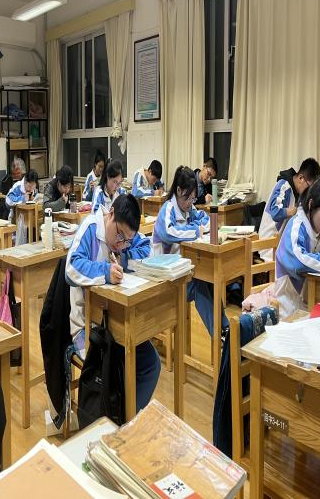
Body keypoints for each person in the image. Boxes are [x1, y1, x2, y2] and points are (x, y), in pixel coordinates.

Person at [66, 193, 157, 412]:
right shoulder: (91, 228)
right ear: (111, 214)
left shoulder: (124, 236)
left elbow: (147, 248)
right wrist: (105, 271)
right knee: (119, 366)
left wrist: (124, 257)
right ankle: (117, 418)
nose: (120, 243)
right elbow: (71, 268)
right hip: (89, 327)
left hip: (116, 322)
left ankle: (126, 419)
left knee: (151, 364)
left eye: (126, 240)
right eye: (119, 235)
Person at [152, 166, 228, 336]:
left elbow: (208, 222)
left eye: (193, 198)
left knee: (208, 277)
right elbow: (169, 233)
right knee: (200, 282)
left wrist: (192, 227)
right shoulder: (168, 209)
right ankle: (220, 334)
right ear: (179, 191)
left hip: (181, 271)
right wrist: (194, 230)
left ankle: (225, 329)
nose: (190, 203)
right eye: (188, 198)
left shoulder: (189, 208)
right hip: (165, 277)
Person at [275, 175, 320, 318]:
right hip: (289, 305)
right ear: (311, 205)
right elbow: (300, 260)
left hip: (311, 299)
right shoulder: (296, 226)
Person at [259, 157, 320, 260]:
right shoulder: (284, 185)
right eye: (309, 188)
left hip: (280, 244)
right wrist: (293, 211)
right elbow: (275, 212)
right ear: (301, 178)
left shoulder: (298, 192)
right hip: (268, 246)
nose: (309, 192)